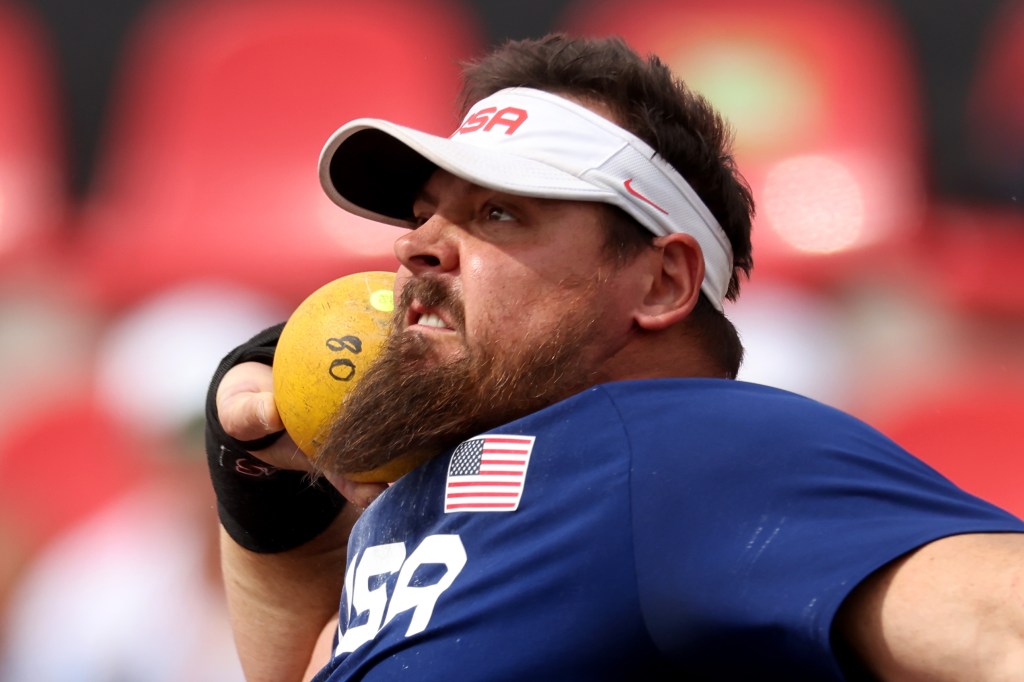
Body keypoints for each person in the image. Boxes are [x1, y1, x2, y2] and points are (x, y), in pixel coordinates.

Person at [206, 34, 1024, 681]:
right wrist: (263, 494)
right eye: (424, 215)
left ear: (661, 283)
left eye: (497, 214)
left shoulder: (680, 452)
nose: (417, 247)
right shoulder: (480, 486)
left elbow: (1002, 626)